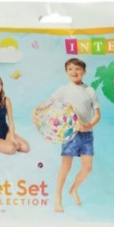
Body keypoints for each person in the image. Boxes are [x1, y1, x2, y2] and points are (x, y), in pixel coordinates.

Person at [36, 57, 101, 213]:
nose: (74, 72)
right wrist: (36, 111)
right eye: (70, 69)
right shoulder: (64, 89)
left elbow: (97, 115)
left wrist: (89, 125)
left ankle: (73, 189)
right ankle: (57, 196)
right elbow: (49, 104)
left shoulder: (90, 91)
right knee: (66, 166)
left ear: (84, 71)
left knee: (87, 168)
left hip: (86, 135)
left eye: (77, 69)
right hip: (70, 134)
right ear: (66, 72)